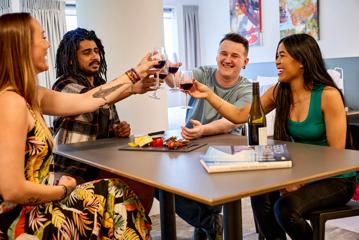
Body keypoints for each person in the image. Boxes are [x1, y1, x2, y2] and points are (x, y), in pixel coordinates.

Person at [0, 13, 158, 239]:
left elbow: (88, 100)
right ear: (22, 45)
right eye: (43, 37)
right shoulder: (10, 102)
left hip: (44, 204)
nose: (48, 44)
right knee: (115, 194)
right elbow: (12, 189)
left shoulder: (31, 95)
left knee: (116, 189)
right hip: (22, 219)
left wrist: (135, 76)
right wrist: (63, 189)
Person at [187, 33, 356, 240]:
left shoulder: (328, 95)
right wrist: (208, 94)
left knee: (285, 209)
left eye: (282, 55)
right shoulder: (280, 91)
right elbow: (241, 115)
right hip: (304, 173)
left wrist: (300, 183)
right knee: (259, 194)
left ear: (301, 60)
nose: (277, 61)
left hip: (335, 179)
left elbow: (336, 155)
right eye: (277, 55)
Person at [52, 28, 155, 213]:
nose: (95, 56)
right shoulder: (64, 85)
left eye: (96, 51)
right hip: (72, 171)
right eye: (86, 52)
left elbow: (108, 118)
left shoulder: (101, 85)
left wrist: (118, 130)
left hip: (100, 165)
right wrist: (132, 82)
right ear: (70, 59)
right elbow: (91, 100)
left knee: (144, 181)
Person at [165, 33, 252, 239]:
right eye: (223, 53)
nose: (227, 59)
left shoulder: (247, 88)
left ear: (245, 62)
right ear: (216, 56)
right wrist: (167, 70)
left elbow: (232, 120)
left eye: (235, 56)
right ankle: (209, 222)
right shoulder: (203, 74)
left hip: (227, 153)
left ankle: (208, 224)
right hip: (190, 148)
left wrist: (203, 130)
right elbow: (176, 81)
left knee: (211, 195)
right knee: (158, 184)